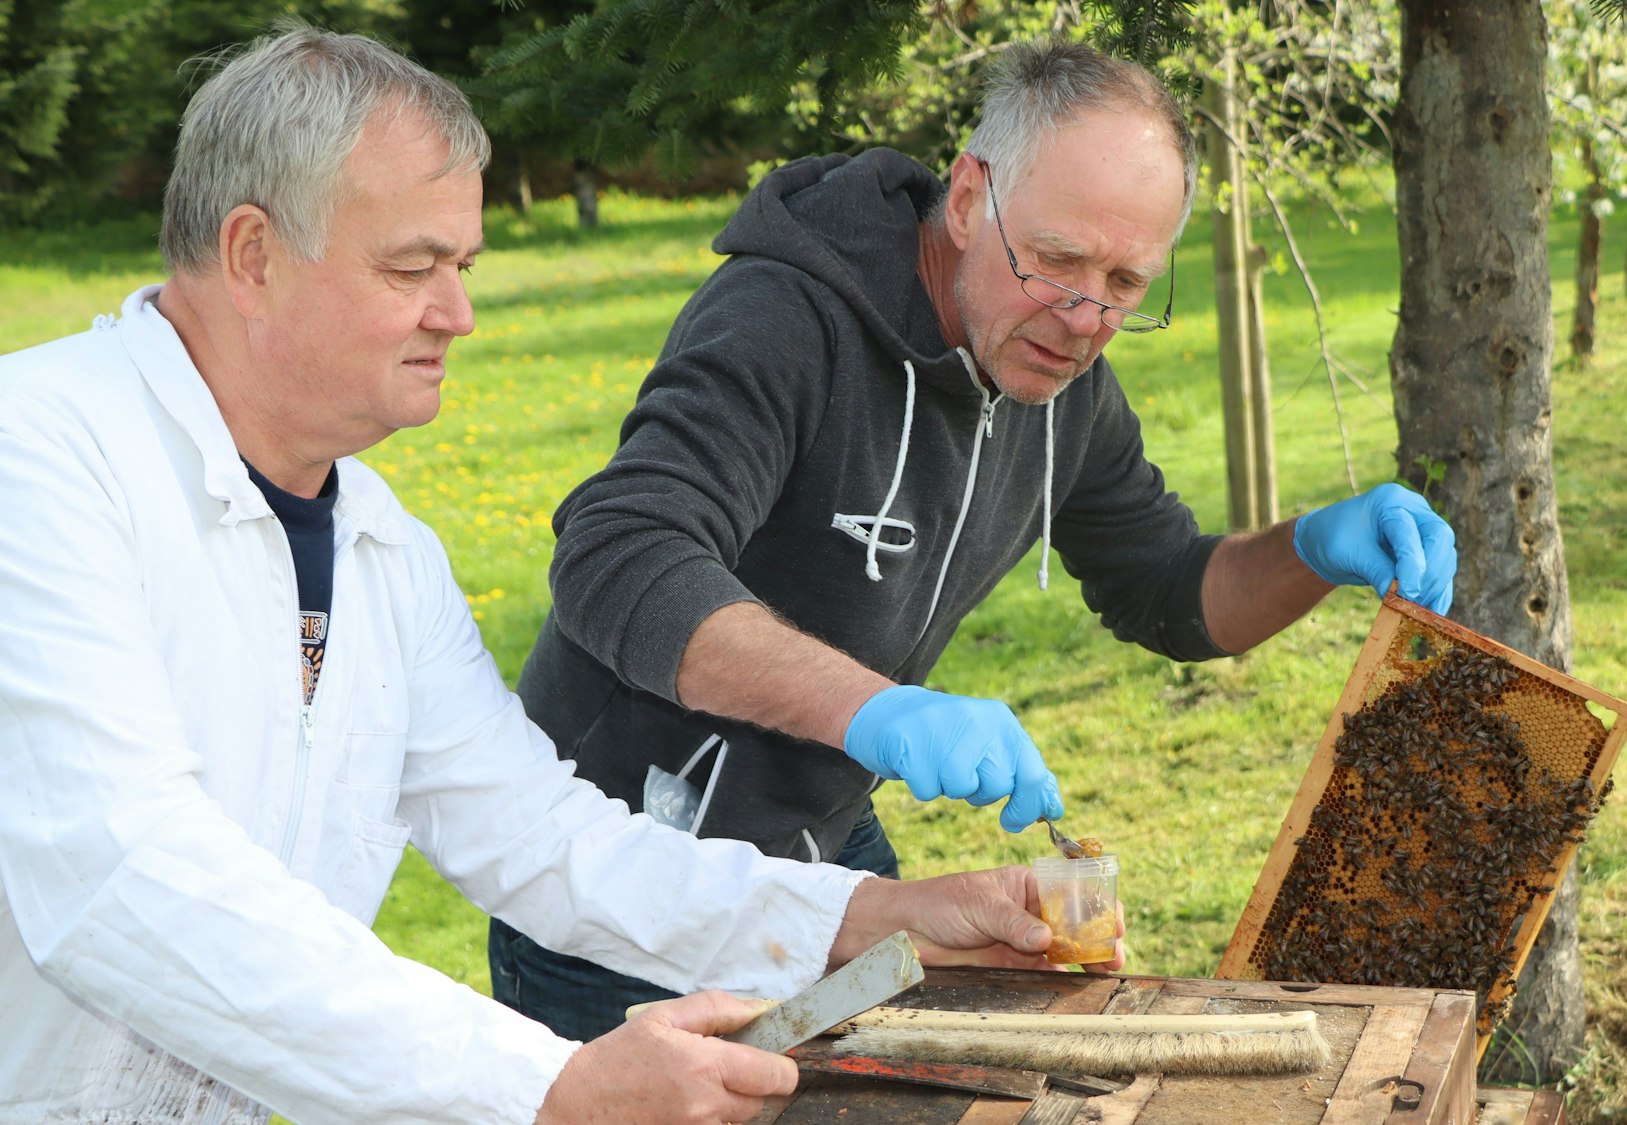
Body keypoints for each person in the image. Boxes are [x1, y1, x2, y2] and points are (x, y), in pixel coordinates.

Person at [0, 26, 1111, 1125]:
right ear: (252, 255)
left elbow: (541, 837)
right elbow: (121, 882)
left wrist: (871, 917)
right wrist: (544, 1083)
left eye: (462, 267)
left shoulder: (379, 549)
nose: (459, 312)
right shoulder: (40, 457)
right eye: (411, 268)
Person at [491, 38, 1456, 1043]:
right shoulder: (784, 318)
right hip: (619, 866)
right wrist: (877, 711)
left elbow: (1167, 587)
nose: (1085, 319)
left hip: (821, 838)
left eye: (1126, 283)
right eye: (1054, 261)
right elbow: (618, 553)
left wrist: (1311, 547)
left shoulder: (1063, 384)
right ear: (965, 200)